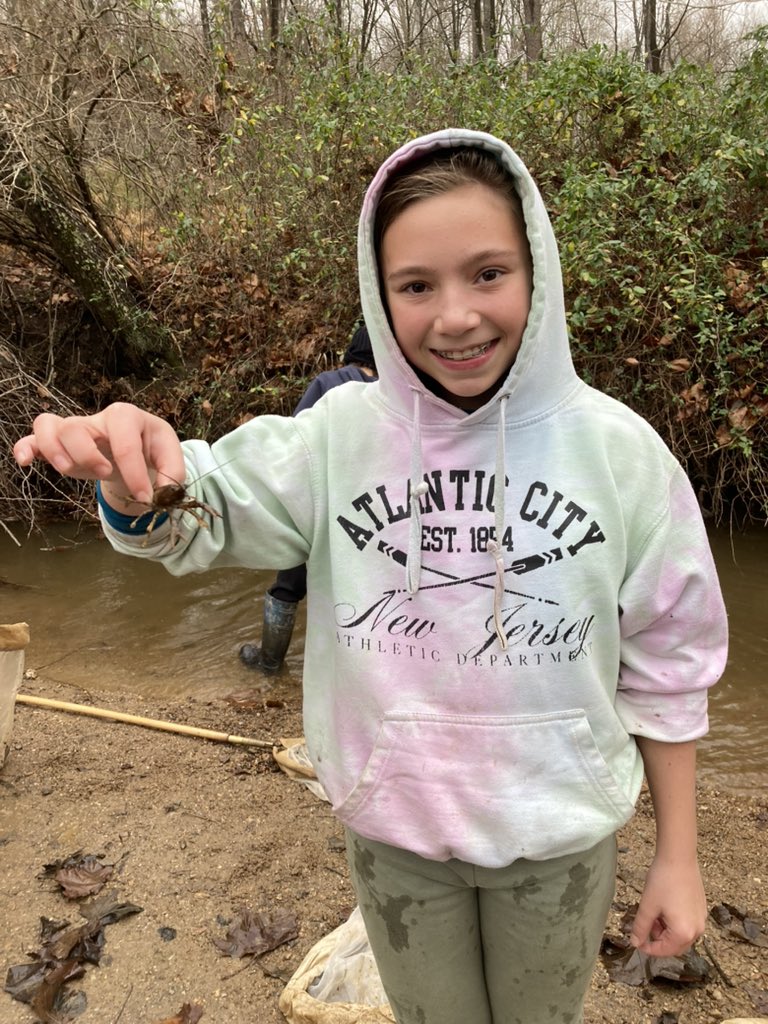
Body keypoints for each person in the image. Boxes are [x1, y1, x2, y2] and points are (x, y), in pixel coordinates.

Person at [13, 130, 728, 1024]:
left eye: (488, 274)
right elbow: (204, 505)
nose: (455, 315)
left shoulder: (623, 454)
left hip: (562, 840)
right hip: (396, 839)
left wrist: (678, 857)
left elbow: (671, 665)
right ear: (378, 294)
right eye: (416, 285)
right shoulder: (336, 437)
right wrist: (135, 473)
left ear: (537, 274)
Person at [239, 324, 377, 673]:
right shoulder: (395, 393)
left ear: (352, 354)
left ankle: (270, 660)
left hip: (320, 506)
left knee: (289, 584)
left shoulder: (330, 384)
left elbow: (296, 443)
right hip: (374, 513)